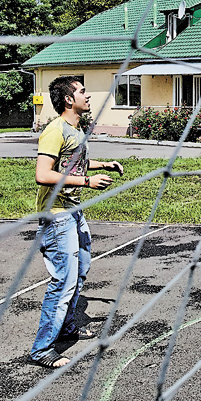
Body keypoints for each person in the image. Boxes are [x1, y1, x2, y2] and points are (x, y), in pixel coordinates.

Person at [30, 76, 124, 368]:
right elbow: (43, 174)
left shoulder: (77, 128)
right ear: (69, 100)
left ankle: (67, 327)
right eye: (83, 91)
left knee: (81, 268)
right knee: (64, 280)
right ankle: (41, 349)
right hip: (56, 215)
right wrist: (87, 181)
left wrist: (104, 164)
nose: (88, 95)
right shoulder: (54, 130)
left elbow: (72, 162)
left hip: (72, 210)